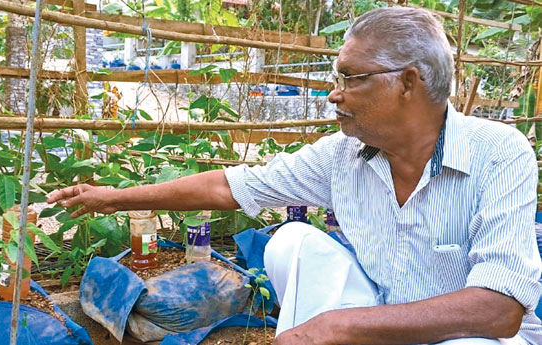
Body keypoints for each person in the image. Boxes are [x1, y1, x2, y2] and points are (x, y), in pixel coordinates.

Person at [47, 7, 542, 345]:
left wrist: (338, 327)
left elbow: (498, 310)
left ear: (408, 82)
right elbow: (227, 186)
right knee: (293, 241)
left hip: (468, 335)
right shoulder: (344, 155)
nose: (334, 93)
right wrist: (115, 197)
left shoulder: (499, 153)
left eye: (350, 77)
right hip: (380, 316)